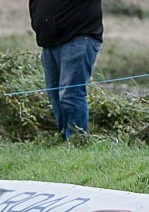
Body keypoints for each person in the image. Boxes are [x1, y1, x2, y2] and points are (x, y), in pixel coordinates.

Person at [29, 0, 103, 139]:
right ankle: (64, 139)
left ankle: (76, 141)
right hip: (49, 42)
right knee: (55, 97)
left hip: (77, 37)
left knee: (70, 95)